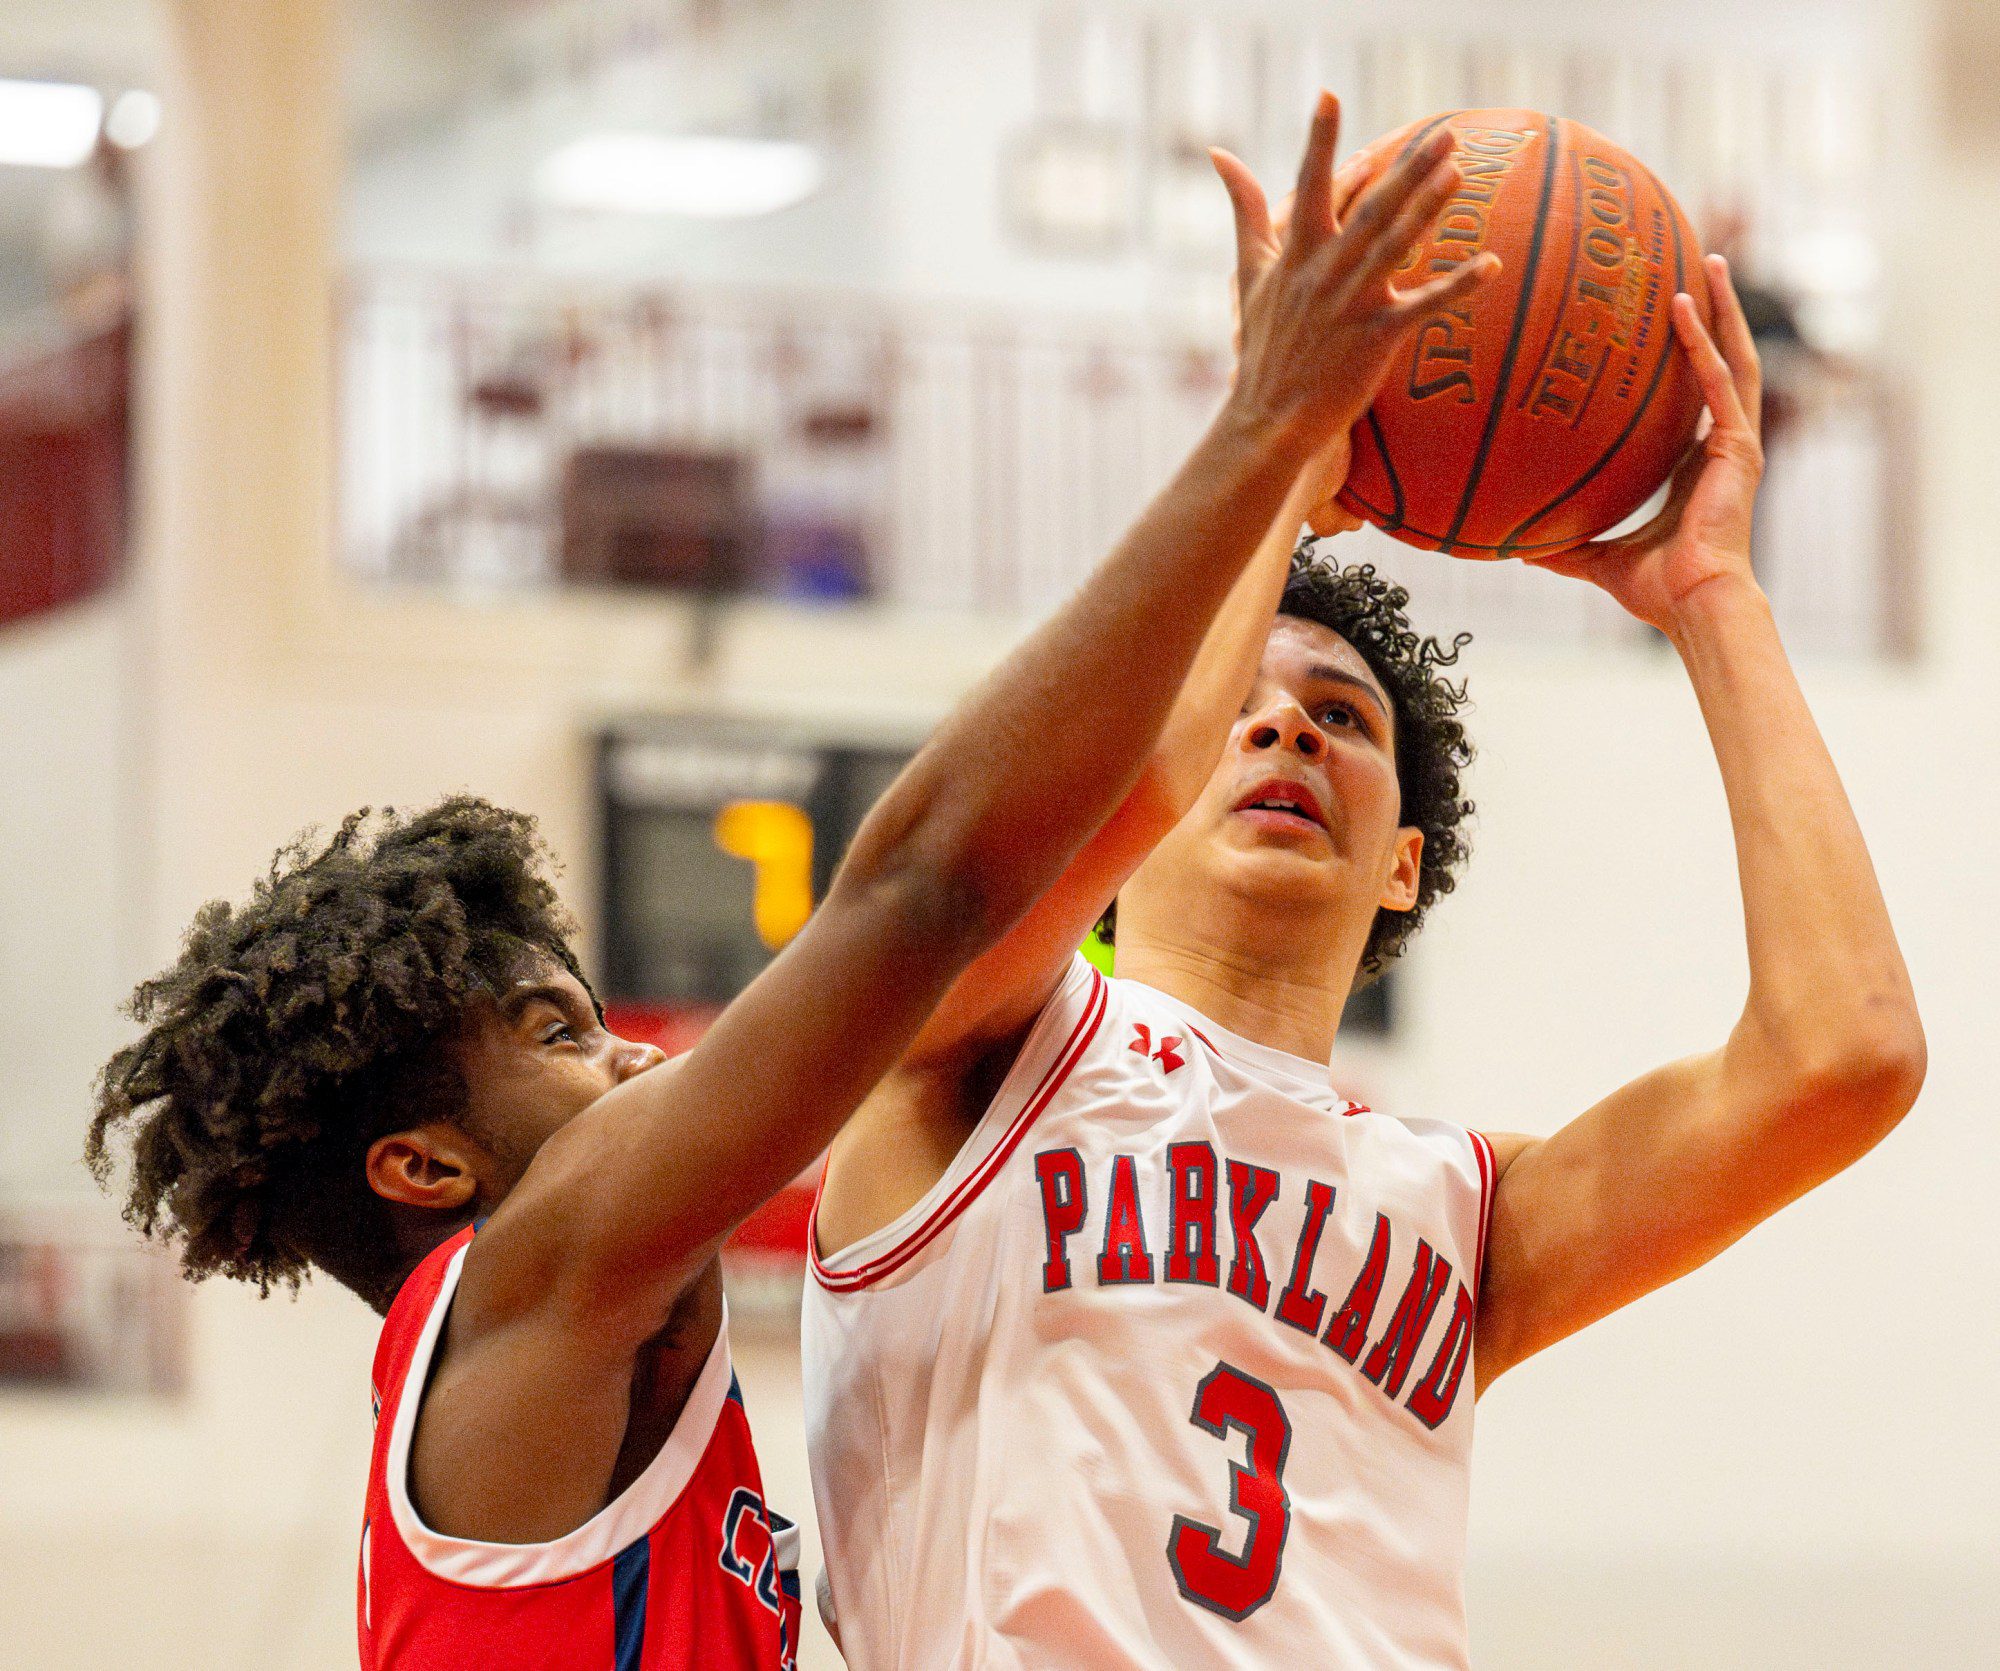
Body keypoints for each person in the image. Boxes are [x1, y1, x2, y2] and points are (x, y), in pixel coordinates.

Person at [83, 95, 1489, 1670]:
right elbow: (928, 889)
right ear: (427, 1171)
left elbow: (1100, 811)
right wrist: (1262, 434)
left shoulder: (576, 1378)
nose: (631, 1054)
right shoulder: (534, 1278)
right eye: (558, 1037)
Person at [803, 112, 1926, 1668]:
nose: (1286, 728)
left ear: (1404, 856)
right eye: (1252, 703)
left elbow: (1847, 1056)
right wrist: (1280, 452)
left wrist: (1714, 598)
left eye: (1344, 717)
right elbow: (1116, 780)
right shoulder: (964, 1054)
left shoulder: (1468, 1217)